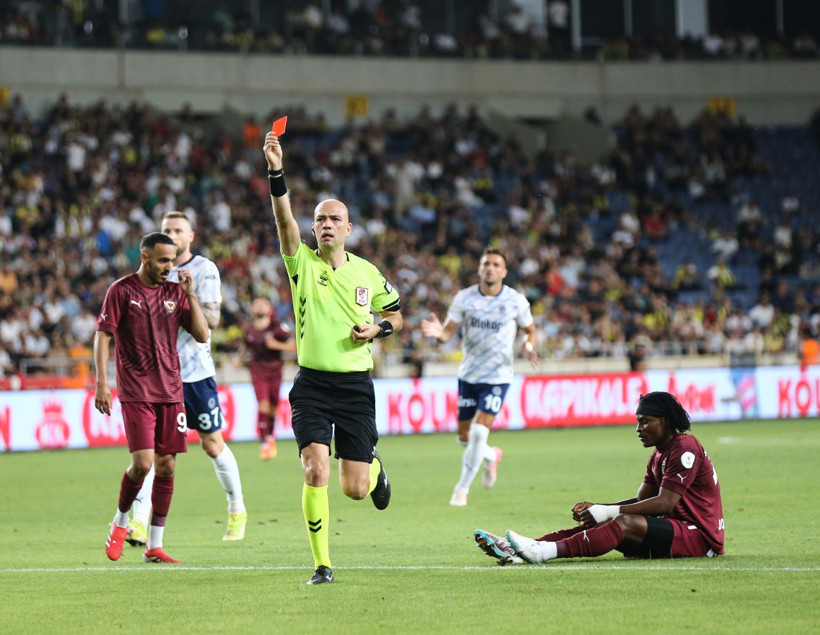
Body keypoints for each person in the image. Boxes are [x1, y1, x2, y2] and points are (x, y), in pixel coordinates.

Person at [263, 129, 402, 585]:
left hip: (355, 386)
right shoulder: (301, 263)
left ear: (348, 228)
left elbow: (396, 315)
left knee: (355, 489)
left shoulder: (367, 272)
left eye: (334, 218)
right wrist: (276, 170)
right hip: (312, 386)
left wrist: (377, 328)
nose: (324, 224)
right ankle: (322, 564)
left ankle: (375, 468)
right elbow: (283, 221)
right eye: (319, 218)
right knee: (314, 468)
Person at [474, 391, 724, 565]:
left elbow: (664, 504)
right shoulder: (658, 456)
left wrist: (608, 511)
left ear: (666, 421)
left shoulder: (685, 446)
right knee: (605, 523)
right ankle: (524, 548)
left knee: (621, 521)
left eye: (645, 422)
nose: (638, 429)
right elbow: (641, 501)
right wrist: (599, 509)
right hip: (675, 532)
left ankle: (542, 553)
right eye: (638, 422)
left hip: (700, 538)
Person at [126, 211, 249, 546]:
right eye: (167, 230)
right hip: (159, 377)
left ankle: (237, 510)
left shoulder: (203, 270)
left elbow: (211, 321)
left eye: (178, 230)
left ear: (191, 236)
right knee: (153, 453)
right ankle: (138, 523)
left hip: (194, 374)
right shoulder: (151, 271)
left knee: (212, 444)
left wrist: (176, 300)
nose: (172, 234)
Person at [95, 232, 209, 563]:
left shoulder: (176, 292)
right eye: (162, 260)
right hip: (136, 391)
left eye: (172, 260)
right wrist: (102, 381)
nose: (169, 267)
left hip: (172, 390)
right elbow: (103, 336)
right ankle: (120, 521)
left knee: (167, 466)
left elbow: (201, 334)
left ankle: (154, 546)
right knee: (143, 463)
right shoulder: (121, 290)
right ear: (145, 258)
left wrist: (192, 296)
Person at [421, 247, 538, 507]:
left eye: (496, 264)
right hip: (469, 376)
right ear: (479, 268)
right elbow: (448, 332)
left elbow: (530, 330)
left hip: (498, 377)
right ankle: (491, 455)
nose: (490, 268)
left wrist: (528, 347)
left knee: (477, 433)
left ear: (504, 272)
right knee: (464, 437)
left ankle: (461, 490)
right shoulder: (464, 298)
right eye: (486, 263)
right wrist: (438, 334)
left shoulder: (516, 301)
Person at [240, 296, 296, 460]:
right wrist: (238, 359)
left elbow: (294, 346)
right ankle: (264, 442)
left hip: (275, 370)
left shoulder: (277, 327)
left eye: (263, 303)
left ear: (270, 308)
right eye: (256, 303)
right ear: (252, 310)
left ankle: (270, 436)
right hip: (257, 370)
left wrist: (277, 345)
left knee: (272, 407)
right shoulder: (248, 329)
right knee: (263, 404)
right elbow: (245, 347)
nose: (259, 306)